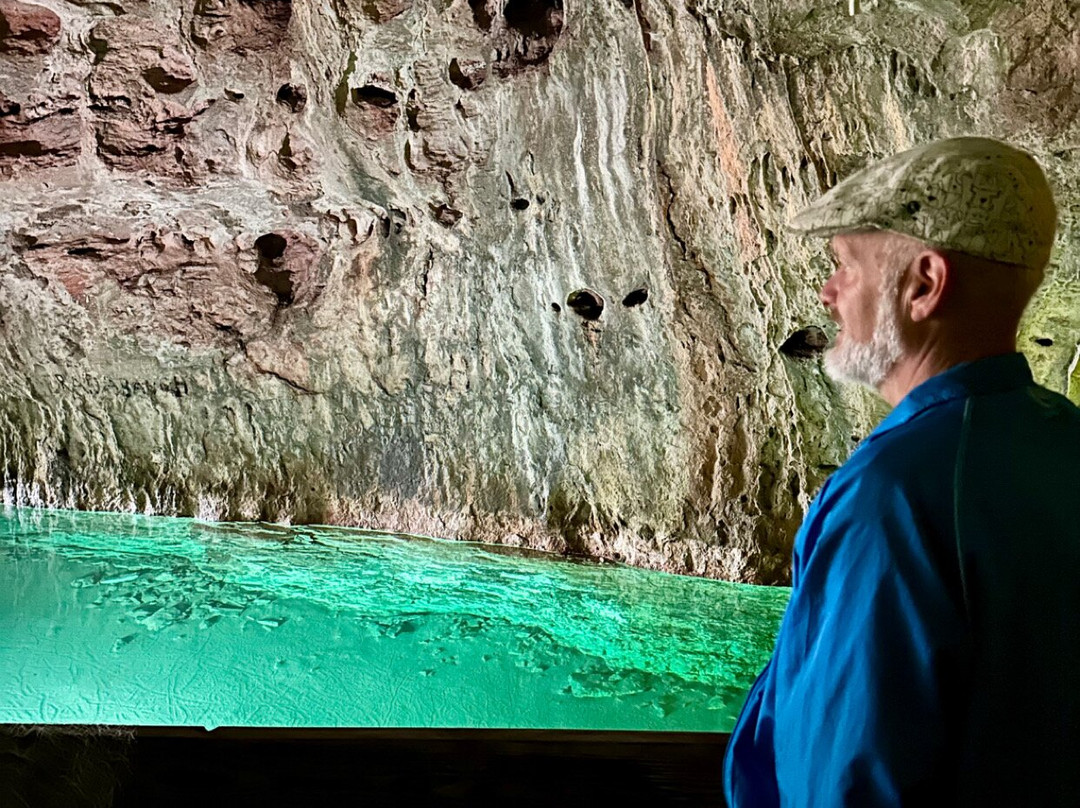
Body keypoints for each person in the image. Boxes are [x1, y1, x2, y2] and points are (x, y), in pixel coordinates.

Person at [723, 137, 1080, 806]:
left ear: (923, 284)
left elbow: (845, 778)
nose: (829, 295)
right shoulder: (1062, 443)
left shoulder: (896, 494)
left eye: (846, 267)